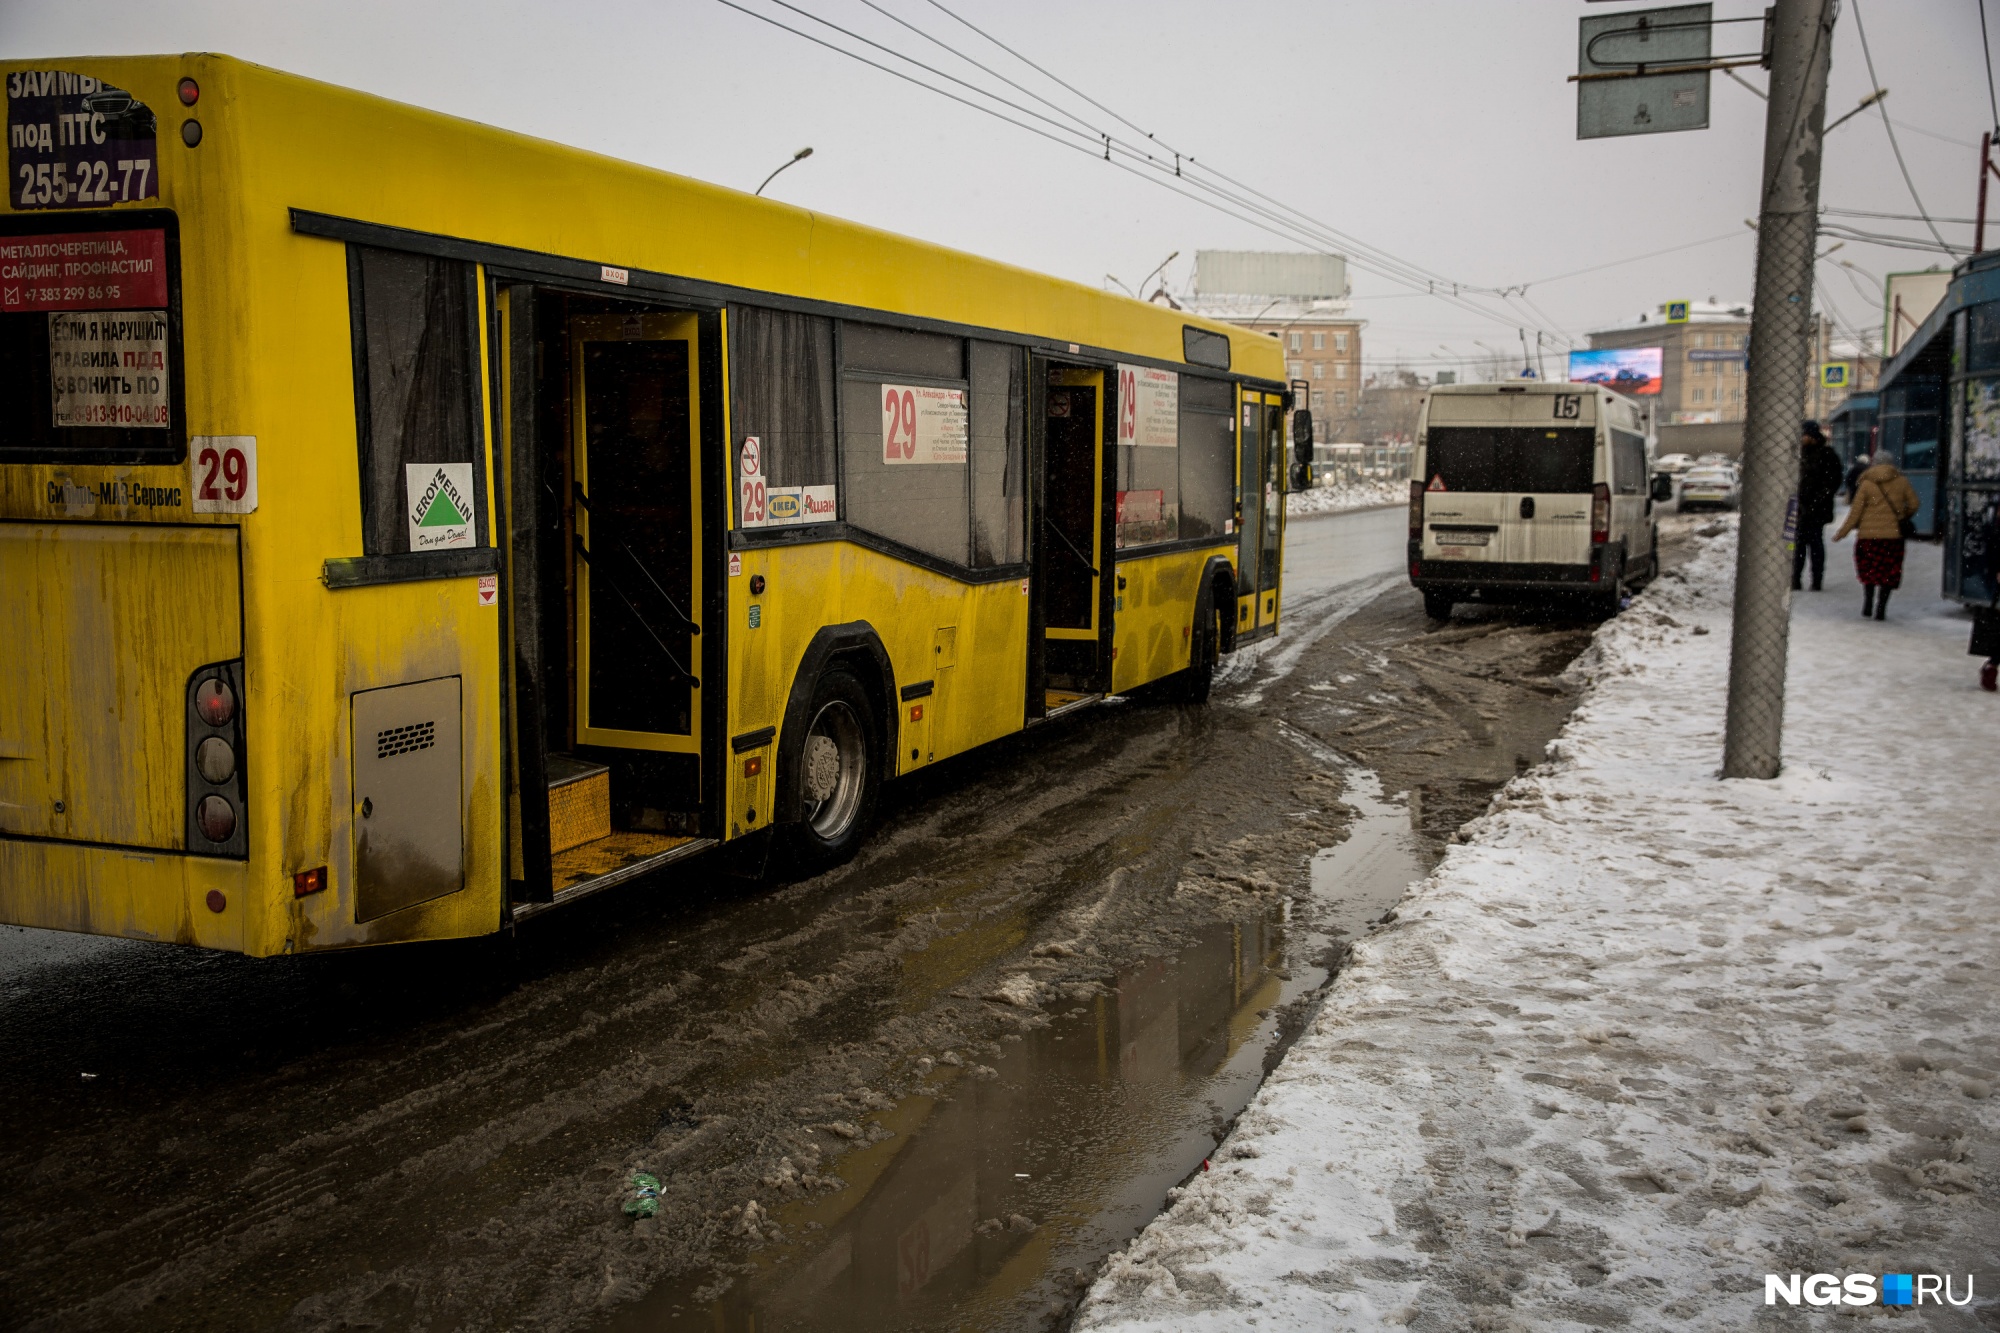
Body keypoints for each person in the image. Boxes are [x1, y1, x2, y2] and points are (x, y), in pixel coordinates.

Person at [1833, 448, 1920, 620]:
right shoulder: (1901, 481)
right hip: (1893, 537)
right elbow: (1914, 503)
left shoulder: (1866, 483)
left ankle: (1868, 602)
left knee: (1870, 570)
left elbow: (1855, 512)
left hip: (1868, 536)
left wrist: (1842, 532)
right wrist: (1903, 515)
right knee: (1888, 572)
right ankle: (1881, 608)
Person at [1793, 421, 1842, 591]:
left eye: (1804, 434)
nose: (1801, 438)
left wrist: (1817, 500)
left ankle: (1816, 580)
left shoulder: (1827, 455)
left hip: (1816, 510)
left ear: (1812, 436)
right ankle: (1795, 579)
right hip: (1800, 508)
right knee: (1798, 545)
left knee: (1814, 544)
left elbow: (1833, 482)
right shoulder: (1799, 455)